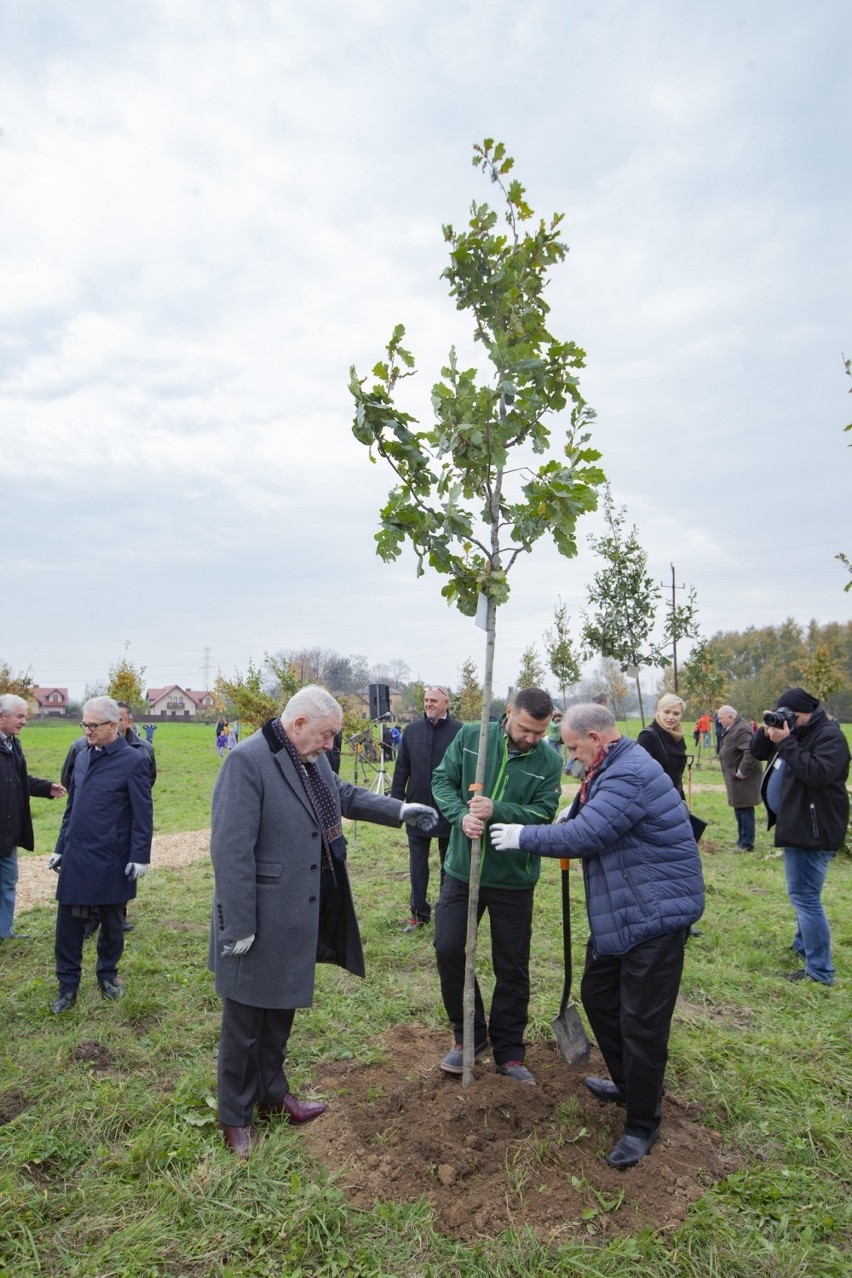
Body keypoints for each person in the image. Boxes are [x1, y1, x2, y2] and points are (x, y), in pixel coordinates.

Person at [208, 685, 438, 1158]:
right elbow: (230, 851)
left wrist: (400, 809)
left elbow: (344, 795)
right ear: (298, 726)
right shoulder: (248, 762)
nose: (331, 746)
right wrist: (240, 925)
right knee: (245, 1021)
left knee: (280, 1010)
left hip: (296, 910)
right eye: (327, 736)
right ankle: (234, 1117)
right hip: (259, 914)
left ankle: (273, 1096)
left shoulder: (308, 762)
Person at [491, 703, 705, 1169]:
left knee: (642, 1023)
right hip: (628, 910)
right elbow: (591, 816)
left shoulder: (628, 773)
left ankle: (643, 1123)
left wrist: (524, 835)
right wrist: (575, 809)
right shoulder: (611, 766)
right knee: (598, 992)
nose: (569, 758)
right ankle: (629, 1083)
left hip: (655, 915)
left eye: (572, 748)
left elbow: (587, 836)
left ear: (595, 738)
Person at [430, 687, 562, 1085]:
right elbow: (442, 782)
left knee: (512, 964)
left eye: (540, 732)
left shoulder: (550, 760)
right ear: (508, 713)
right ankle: (467, 1036)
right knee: (449, 948)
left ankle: (509, 1051)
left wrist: (496, 810)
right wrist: (460, 817)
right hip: (461, 870)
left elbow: (544, 814)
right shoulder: (472, 738)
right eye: (526, 729)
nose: (532, 738)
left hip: (512, 878)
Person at [48, 697, 153, 1013]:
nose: (87, 731)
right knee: (67, 926)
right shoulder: (81, 755)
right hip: (78, 855)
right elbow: (72, 808)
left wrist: (140, 855)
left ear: (113, 726)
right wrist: (59, 847)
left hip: (113, 858)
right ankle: (67, 987)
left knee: (111, 923)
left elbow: (142, 813)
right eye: (84, 724)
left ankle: (107, 975)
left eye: (93, 726)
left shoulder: (134, 761)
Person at [750, 687, 849, 986]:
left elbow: (817, 774)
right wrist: (768, 732)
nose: (788, 719)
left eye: (792, 715)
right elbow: (757, 753)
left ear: (808, 713)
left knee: (805, 897)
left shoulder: (830, 737)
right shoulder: (796, 732)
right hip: (799, 826)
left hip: (814, 831)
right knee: (805, 895)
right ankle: (803, 945)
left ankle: (820, 970)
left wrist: (788, 741)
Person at [390, 685, 462, 932]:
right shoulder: (411, 731)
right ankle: (418, 914)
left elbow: (464, 770)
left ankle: (446, 912)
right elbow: (402, 768)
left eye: (434, 700)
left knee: (448, 865)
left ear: (446, 703)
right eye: (426, 700)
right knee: (417, 865)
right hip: (416, 808)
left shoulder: (459, 732)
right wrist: (396, 803)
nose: (428, 703)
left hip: (448, 809)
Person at [0, 694, 66, 940]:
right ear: (1, 716)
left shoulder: (12, 743)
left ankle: (4, 932)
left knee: (7, 883)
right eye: (19, 716)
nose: (24, 721)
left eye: (24, 716)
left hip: (7, 833)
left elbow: (18, 781)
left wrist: (46, 788)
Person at [716, 705, 762, 851]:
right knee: (739, 807)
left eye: (721, 718)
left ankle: (747, 843)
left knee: (746, 809)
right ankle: (741, 838)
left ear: (730, 717)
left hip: (744, 777)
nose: (719, 721)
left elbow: (750, 751)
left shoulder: (741, 729)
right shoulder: (733, 727)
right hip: (736, 777)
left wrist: (743, 770)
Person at [636, 694, 688, 797]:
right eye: (666, 712)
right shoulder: (648, 736)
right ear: (658, 711)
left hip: (676, 795)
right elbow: (640, 775)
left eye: (676, 713)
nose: (671, 717)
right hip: (656, 799)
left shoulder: (678, 736)